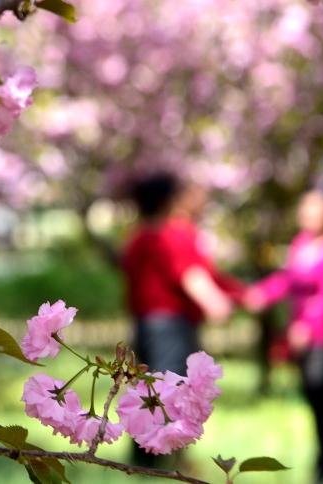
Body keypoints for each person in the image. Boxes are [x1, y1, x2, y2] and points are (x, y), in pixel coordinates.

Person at [121, 172, 242, 468]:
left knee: (145, 388)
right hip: (171, 325)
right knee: (171, 389)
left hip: (144, 323)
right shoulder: (171, 233)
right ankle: (170, 454)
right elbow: (190, 274)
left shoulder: (137, 236)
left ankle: (143, 457)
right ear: (170, 201)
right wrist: (215, 303)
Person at [244, 187, 323, 484]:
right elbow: (289, 281)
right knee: (311, 394)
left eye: (314, 207)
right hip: (300, 335)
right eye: (304, 207)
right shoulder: (300, 245)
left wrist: (309, 325)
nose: (306, 213)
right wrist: (263, 294)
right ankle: (321, 461)